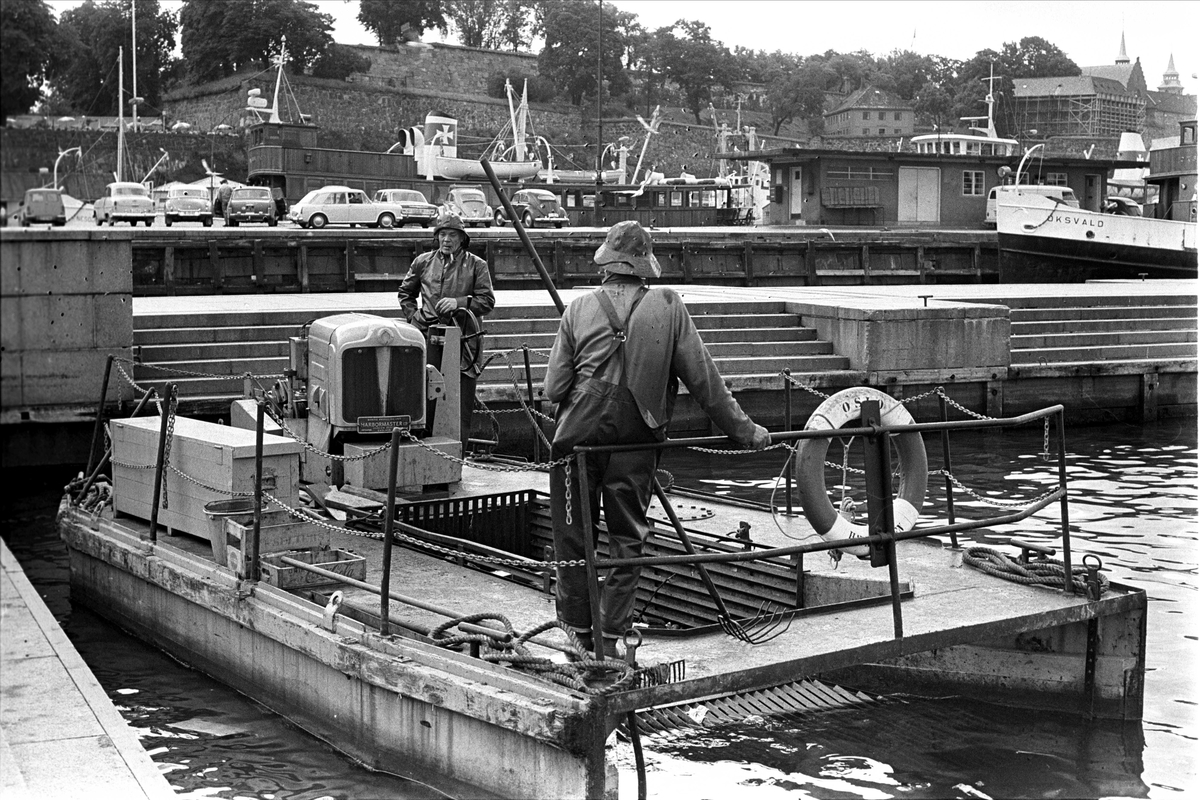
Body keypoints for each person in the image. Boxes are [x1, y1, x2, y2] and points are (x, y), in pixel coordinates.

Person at [544, 220, 770, 657]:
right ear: (645, 266)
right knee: (628, 536)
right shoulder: (668, 305)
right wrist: (747, 432)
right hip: (636, 438)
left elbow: (554, 389)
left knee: (573, 537)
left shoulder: (577, 309)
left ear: (607, 261)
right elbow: (706, 383)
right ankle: (612, 637)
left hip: (576, 440)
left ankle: (577, 632)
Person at [398, 213, 495, 447]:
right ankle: (424, 451)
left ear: (462, 239)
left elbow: (487, 301)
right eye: (442, 234)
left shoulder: (477, 265)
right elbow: (405, 293)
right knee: (424, 398)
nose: (446, 240)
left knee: (458, 403)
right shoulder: (422, 262)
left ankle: (455, 456)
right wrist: (415, 318)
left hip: (463, 343)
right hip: (428, 338)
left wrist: (459, 302)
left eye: (452, 235)